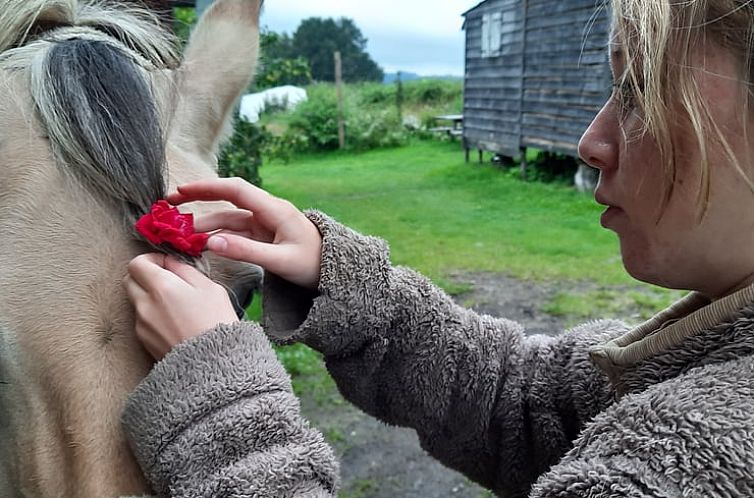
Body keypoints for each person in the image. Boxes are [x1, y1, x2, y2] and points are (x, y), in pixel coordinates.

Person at [122, 0, 754, 496]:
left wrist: (221, 405)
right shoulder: (703, 357)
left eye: (641, 88)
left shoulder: (715, 452)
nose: (592, 140)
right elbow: (524, 402)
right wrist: (332, 274)